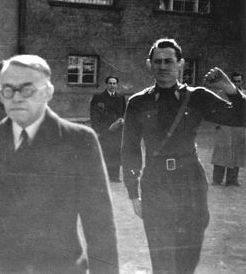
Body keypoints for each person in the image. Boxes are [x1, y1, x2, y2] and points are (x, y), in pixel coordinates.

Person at [0, 54, 118, 273]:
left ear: (48, 92)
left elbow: (100, 227)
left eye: (27, 89)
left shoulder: (79, 140)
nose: (17, 98)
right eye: (8, 90)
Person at [121, 38, 246, 274]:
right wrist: (133, 193)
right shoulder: (138, 102)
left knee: (189, 254)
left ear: (181, 64)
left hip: (190, 182)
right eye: (157, 61)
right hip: (156, 184)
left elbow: (240, 117)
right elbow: (129, 148)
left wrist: (230, 89)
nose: (163, 66)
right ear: (149, 65)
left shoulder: (197, 97)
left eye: (169, 61)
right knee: (162, 258)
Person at [211, 72, 245, 186]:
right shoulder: (222, 93)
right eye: (234, 81)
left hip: (239, 128)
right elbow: (216, 109)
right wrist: (218, 124)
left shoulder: (244, 95)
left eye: (239, 81)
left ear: (242, 81)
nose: (236, 83)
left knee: (236, 154)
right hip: (225, 126)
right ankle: (217, 180)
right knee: (221, 154)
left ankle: (232, 180)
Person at [90, 75, 126, 182]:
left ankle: (115, 176)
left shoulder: (120, 97)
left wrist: (122, 120)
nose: (112, 86)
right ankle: (104, 177)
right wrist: (97, 129)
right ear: (106, 84)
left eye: (114, 83)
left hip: (117, 130)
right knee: (105, 152)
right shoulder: (99, 97)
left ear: (117, 85)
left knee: (116, 152)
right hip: (104, 130)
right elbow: (94, 114)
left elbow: (124, 112)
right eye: (110, 83)